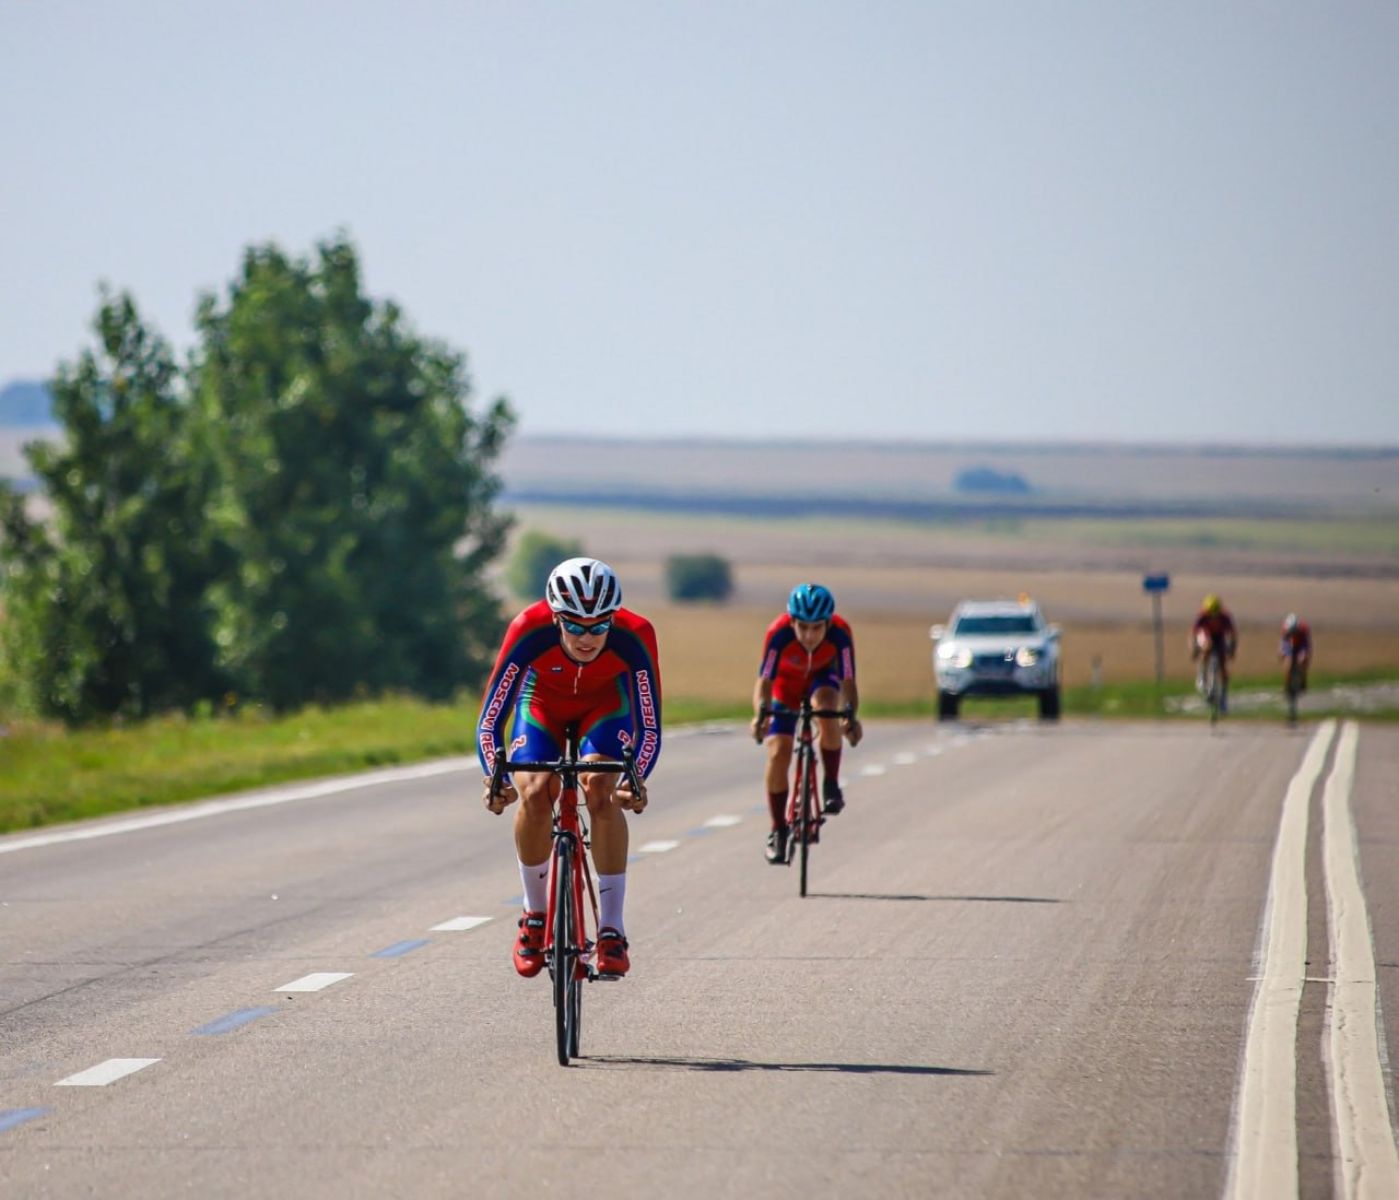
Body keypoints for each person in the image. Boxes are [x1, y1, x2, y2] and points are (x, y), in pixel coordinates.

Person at [477, 557, 662, 979]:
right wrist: (496, 776)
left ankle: (612, 930)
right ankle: (534, 917)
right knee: (536, 791)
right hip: (540, 703)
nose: (587, 637)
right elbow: (491, 718)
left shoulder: (636, 636)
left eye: (599, 626)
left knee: (601, 789)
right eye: (575, 626)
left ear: (612, 620)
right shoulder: (529, 628)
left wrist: (638, 779)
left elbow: (649, 724)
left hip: (605, 707)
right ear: (556, 617)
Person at [751, 583, 862, 865]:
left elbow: (848, 682)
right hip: (786, 688)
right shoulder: (777, 633)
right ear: (792, 621)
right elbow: (764, 682)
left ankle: (831, 784)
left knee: (827, 710)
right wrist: (760, 716)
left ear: (828, 623)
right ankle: (778, 830)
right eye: (802, 627)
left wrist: (850, 716)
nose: (809, 635)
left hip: (823, 680)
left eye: (816, 628)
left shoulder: (841, 633)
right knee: (779, 752)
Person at [1190, 593, 1238, 712]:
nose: (1213, 617)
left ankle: (1223, 697)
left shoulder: (1225, 617)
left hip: (1219, 637)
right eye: (1210, 613)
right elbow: (1193, 634)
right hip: (1205, 634)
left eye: (1215, 613)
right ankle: (1202, 675)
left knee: (1223, 667)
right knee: (1207, 647)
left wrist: (1232, 649)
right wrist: (1194, 648)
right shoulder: (1201, 616)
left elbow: (1233, 634)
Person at [1279, 612, 1312, 689]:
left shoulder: (1304, 628)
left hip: (1301, 643)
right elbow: (1283, 643)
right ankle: (1286, 686)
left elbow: (1306, 645)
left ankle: (1303, 681)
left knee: (1303, 660)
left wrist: (1304, 655)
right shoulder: (1285, 629)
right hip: (1289, 643)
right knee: (1288, 663)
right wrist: (1282, 653)